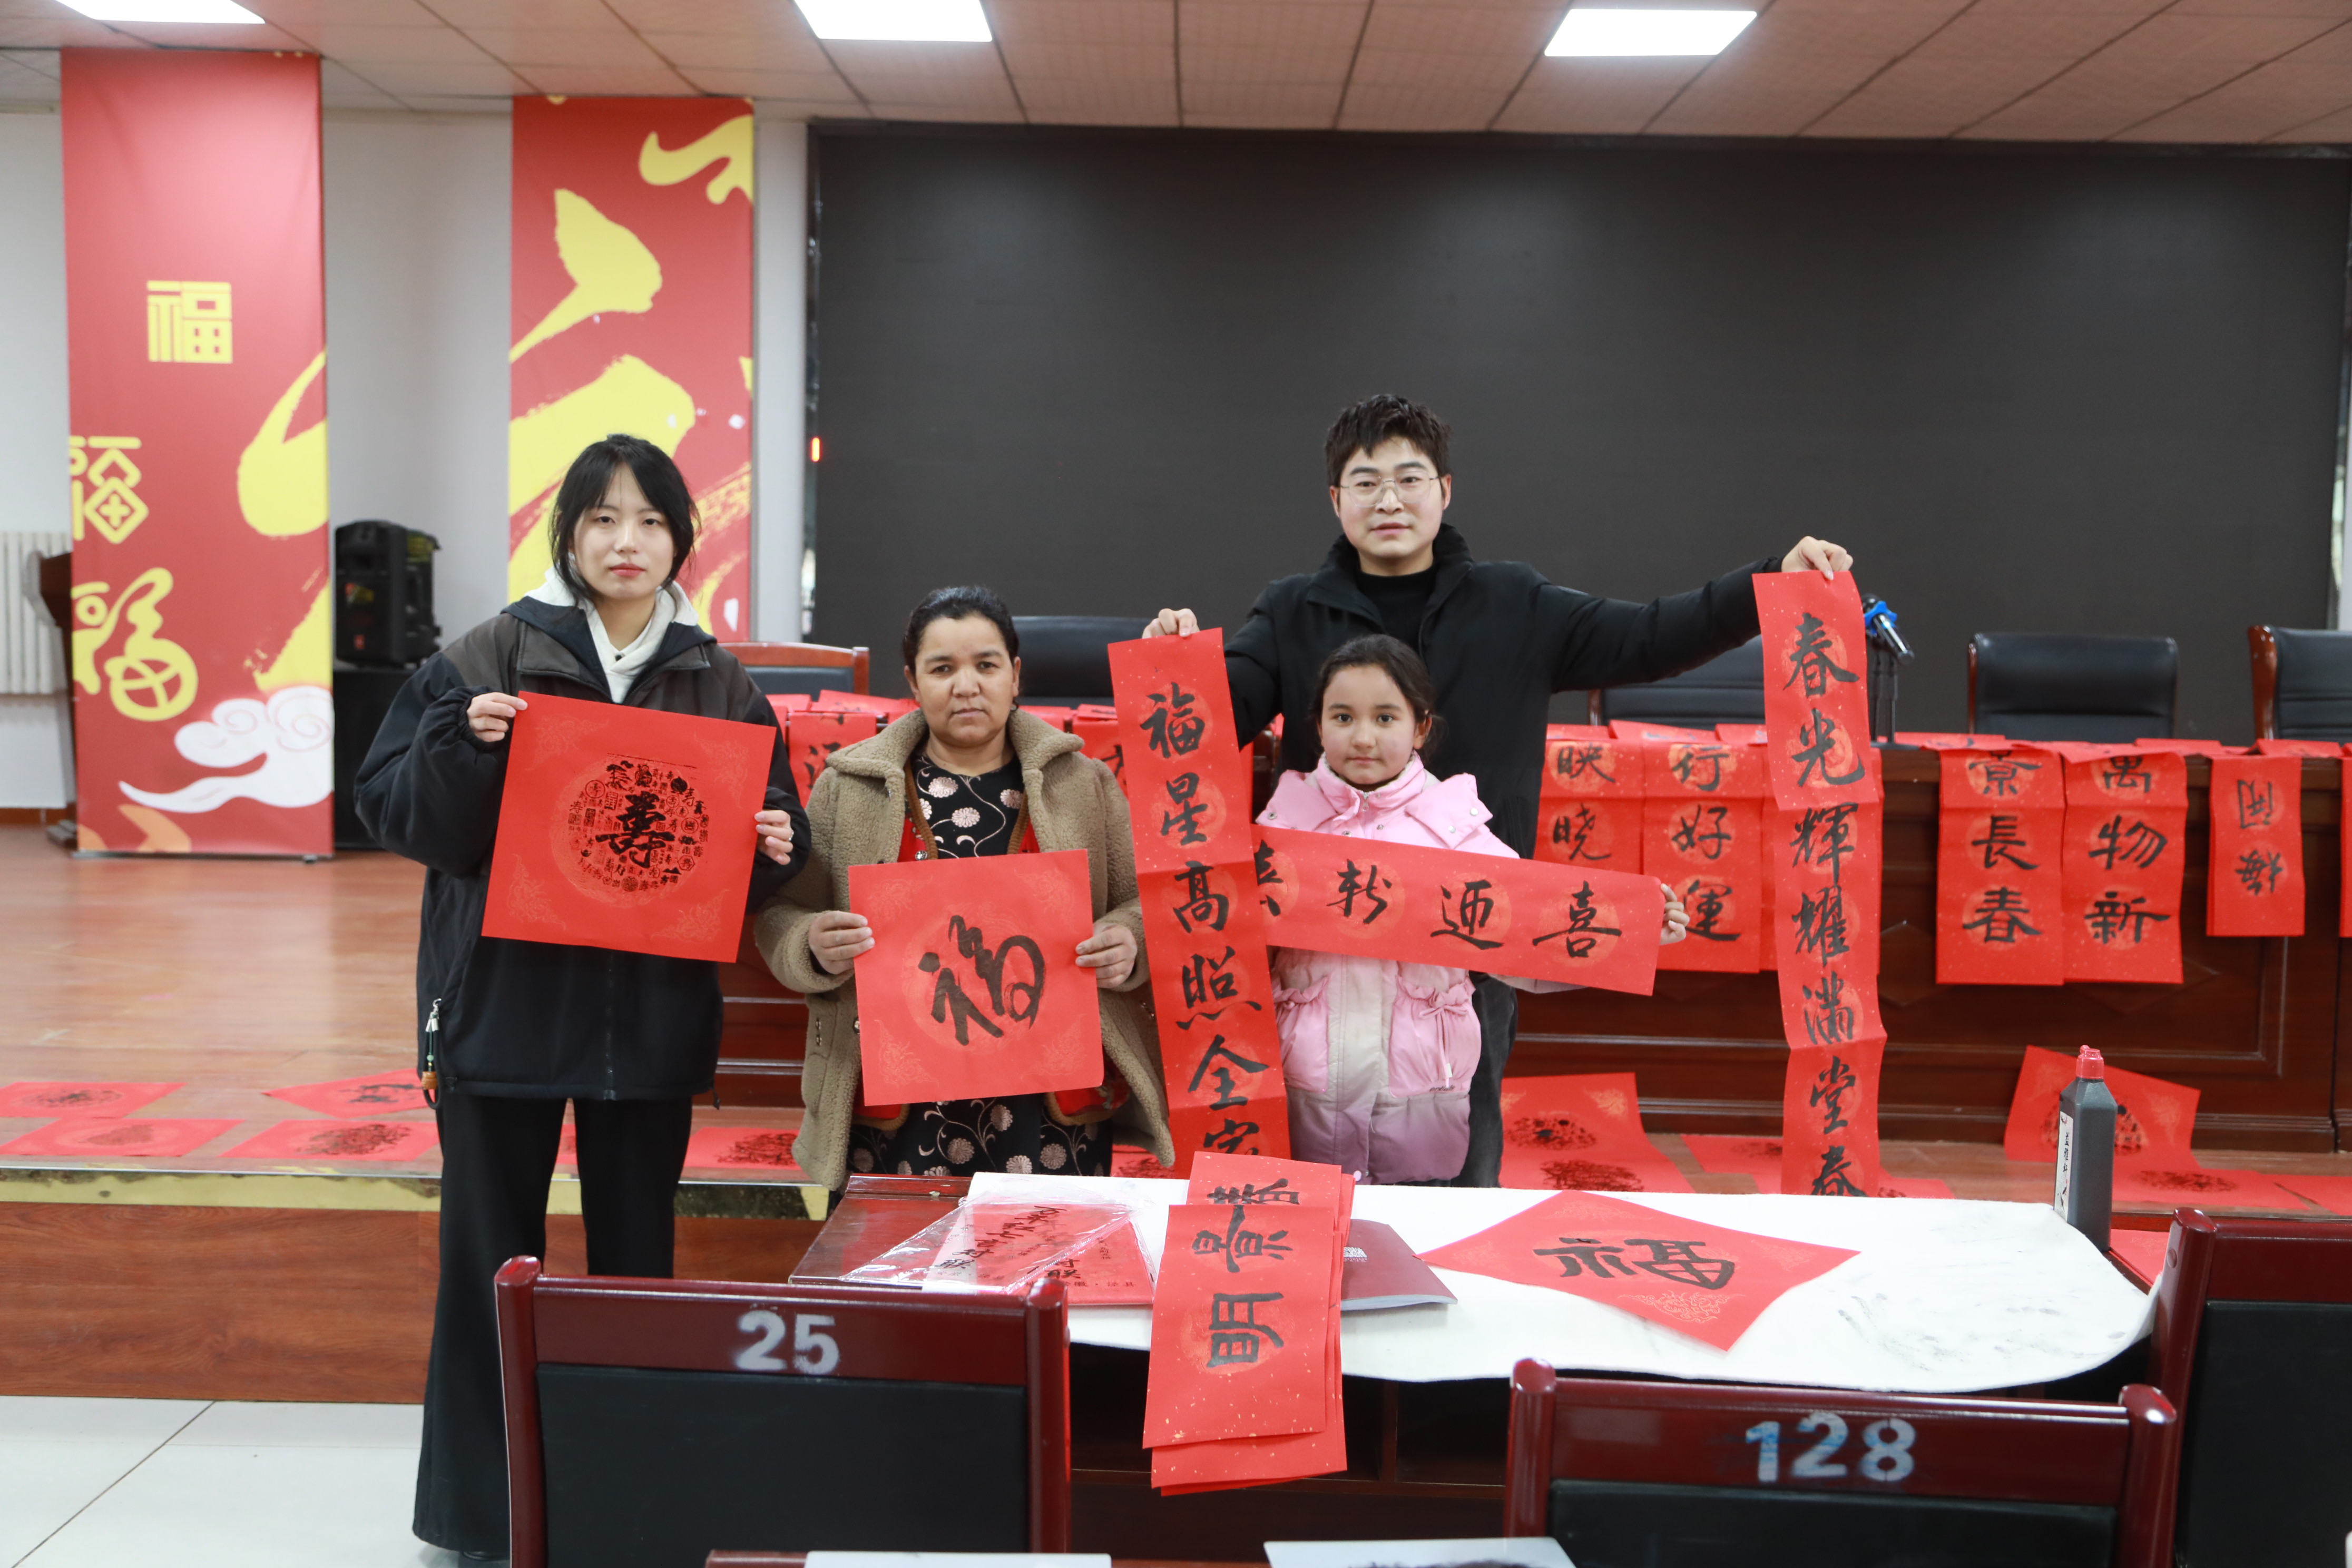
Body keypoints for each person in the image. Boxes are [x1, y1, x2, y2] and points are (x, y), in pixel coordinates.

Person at [1148, 393, 1855, 1184]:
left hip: (1475, 946)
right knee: (1302, 1178)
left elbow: (1654, 634)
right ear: (1336, 500)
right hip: (1321, 961)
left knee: (1459, 1175)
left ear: (1445, 491)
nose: (1389, 501)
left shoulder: (1517, 602)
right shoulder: (1290, 611)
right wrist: (1176, 668)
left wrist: (1770, 583)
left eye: (1410, 479)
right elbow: (1217, 716)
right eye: (1367, 482)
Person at [356, 433, 809, 1561]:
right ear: (568, 533)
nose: (626, 541)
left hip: (643, 1023)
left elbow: (766, 841)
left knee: (636, 1278)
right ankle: (479, 1516)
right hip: (500, 1013)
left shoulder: (718, 679)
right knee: (484, 1271)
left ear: (680, 540)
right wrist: (465, 746)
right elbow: (399, 815)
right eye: (603, 518)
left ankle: (630, 1509)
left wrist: (776, 846)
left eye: (650, 520)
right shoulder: (487, 655)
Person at [754, 585, 1172, 1188]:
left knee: (1040, 1244)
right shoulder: (850, 787)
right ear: (913, 681)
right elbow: (781, 912)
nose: (967, 685)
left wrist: (1129, 940)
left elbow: (1148, 904)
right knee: (898, 1246)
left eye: (986, 665)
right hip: (898, 1103)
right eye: (943, 669)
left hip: (1047, 1104)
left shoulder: (1083, 784)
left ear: (1016, 674)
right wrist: (811, 944)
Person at [1261, 634, 1689, 1183]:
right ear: (1318, 726)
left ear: (1420, 727)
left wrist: (1634, 933)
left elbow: (1528, 945)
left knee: (1412, 1224)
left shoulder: (1455, 830)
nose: (1363, 737)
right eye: (1342, 717)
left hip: (1419, 1091)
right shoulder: (1282, 823)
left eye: (1386, 718)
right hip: (1303, 1087)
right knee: (1307, 1214)